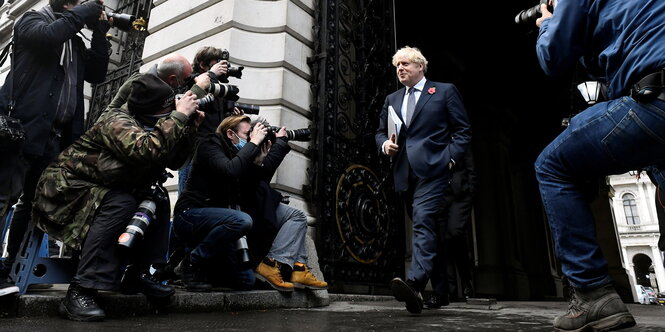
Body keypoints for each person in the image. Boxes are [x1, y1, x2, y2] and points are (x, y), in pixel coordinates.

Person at [534, 1, 665, 330]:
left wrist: (548, 21)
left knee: (553, 166)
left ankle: (593, 294)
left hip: (655, 102)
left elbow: (552, 56)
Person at [31, 73, 204, 321]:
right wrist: (179, 116)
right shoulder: (116, 121)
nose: (170, 112)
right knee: (121, 203)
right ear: (148, 109)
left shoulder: (150, 122)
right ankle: (81, 289)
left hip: (100, 186)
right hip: (63, 189)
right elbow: (145, 150)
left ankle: (140, 273)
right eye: (166, 109)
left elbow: (173, 160)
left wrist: (189, 129)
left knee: (159, 197)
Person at [0, 0, 111, 296]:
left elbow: (97, 74)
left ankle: (10, 266)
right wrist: (87, 10)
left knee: (35, 205)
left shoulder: (72, 41)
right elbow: (50, 36)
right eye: (79, 2)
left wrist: (100, 31)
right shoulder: (31, 21)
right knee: (3, 198)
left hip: (55, 138)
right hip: (21, 130)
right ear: (66, 4)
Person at [375, 46, 471, 314]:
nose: (400, 69)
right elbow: (380, 132)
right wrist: (385, 146)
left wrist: (449, 160)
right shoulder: (392, 99)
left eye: (405, 64)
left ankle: (415, 282)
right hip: (405, 173)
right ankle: (441, 292)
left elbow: (462, 131)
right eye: (397, 66)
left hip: (435, 170)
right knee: (431, 230)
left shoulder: (443, 91)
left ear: (420, 67)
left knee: (423, 220)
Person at [176, 46, 232, 194]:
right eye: (216, 63)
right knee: (187, 196)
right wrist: (212, 74)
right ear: (203, 64)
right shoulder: (191, 82)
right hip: (194, 150)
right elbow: (188, 102)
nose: (222, 68)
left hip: (214, 149)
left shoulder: (218, 88)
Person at [426, 149, 476, 309]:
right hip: (439, 196)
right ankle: (450, 290)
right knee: (441, 241)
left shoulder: (459, 136)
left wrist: (470, 192)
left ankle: (466, 278)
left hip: (459, 196)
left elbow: (471, 169)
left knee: (454, 233)